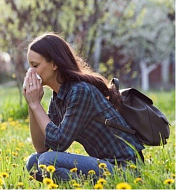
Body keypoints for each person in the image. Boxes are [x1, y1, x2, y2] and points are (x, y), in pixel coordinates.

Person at [22, 33, 144, 182]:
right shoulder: (58, 98)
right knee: (34, 162)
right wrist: (32, 105)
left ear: (54, 64)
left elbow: (59, 143)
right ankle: (88, 184)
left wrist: (36, 105)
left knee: (47, 161)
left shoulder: (80, 91)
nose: (30, 72)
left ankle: (88, 185)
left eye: (35, 66)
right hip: (104, 165)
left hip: (126, 169)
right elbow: (42, 148)